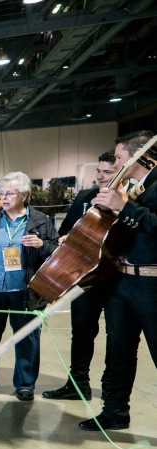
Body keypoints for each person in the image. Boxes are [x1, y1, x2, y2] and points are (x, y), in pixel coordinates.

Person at [79, 130, 157, 431]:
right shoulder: (134, 187)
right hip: (123, 282)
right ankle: (114, 412)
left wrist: (124, 206)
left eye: (120, 156)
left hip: (151, 285)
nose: (116, 162)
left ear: (141, 155)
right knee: (119, 352)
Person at [0, 172, 59, 401]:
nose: (3, 198)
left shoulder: (41, 221)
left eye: (9, 193)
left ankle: (25, 385)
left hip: (25, 292)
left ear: (24, 195)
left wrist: (42, 244)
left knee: (27, 339)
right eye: (1, 193)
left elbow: (57, 251)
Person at [42, 151, 116, 401]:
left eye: (108, 172)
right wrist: (65, 238)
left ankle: (111, 387)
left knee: (117, 335)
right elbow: (64, 231)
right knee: (82, 331)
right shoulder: (85, 197)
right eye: (99, 172)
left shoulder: (126, 201)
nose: (102, 177)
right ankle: (78, 383)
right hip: (84, 278)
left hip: (116, 279)